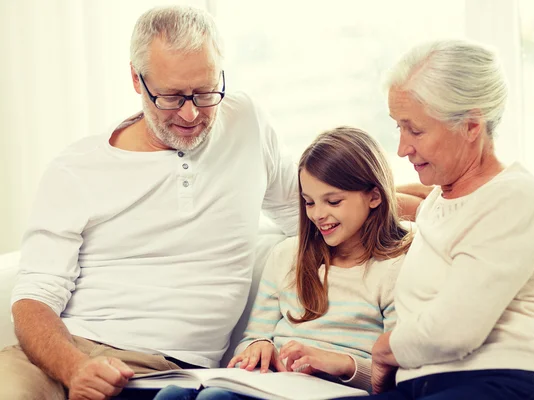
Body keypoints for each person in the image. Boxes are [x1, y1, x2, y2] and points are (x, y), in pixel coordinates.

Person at [0, 6, 299, 400]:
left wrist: (389, 199)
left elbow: (318, 206)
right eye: (172, 97)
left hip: (165, 373)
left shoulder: (246, 124)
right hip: (61, 356)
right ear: (136, 80)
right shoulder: (78, 167)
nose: (192, 114)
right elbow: (33, 300)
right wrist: (75, 368)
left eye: (206, 92)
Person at [361, 39, 534, 400]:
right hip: (429, 386)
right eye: (398, 128)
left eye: (415, 130)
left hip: (511, 381)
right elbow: (389, 203)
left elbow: (453, 330)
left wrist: (384, 350)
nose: (402, 148)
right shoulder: (438, 200)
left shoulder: (516, 196)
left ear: (470, 126)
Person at [152, 126, 414, 400]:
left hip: (336, 393)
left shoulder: (397, 267)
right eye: (309, 202)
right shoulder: (287, 256)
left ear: (374, 196)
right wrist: (258, 346)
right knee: (172, 394)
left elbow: (399, 374)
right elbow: (252, 338)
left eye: (333, 201)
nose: (318, 215)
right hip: (274, 387)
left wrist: (342, 364)